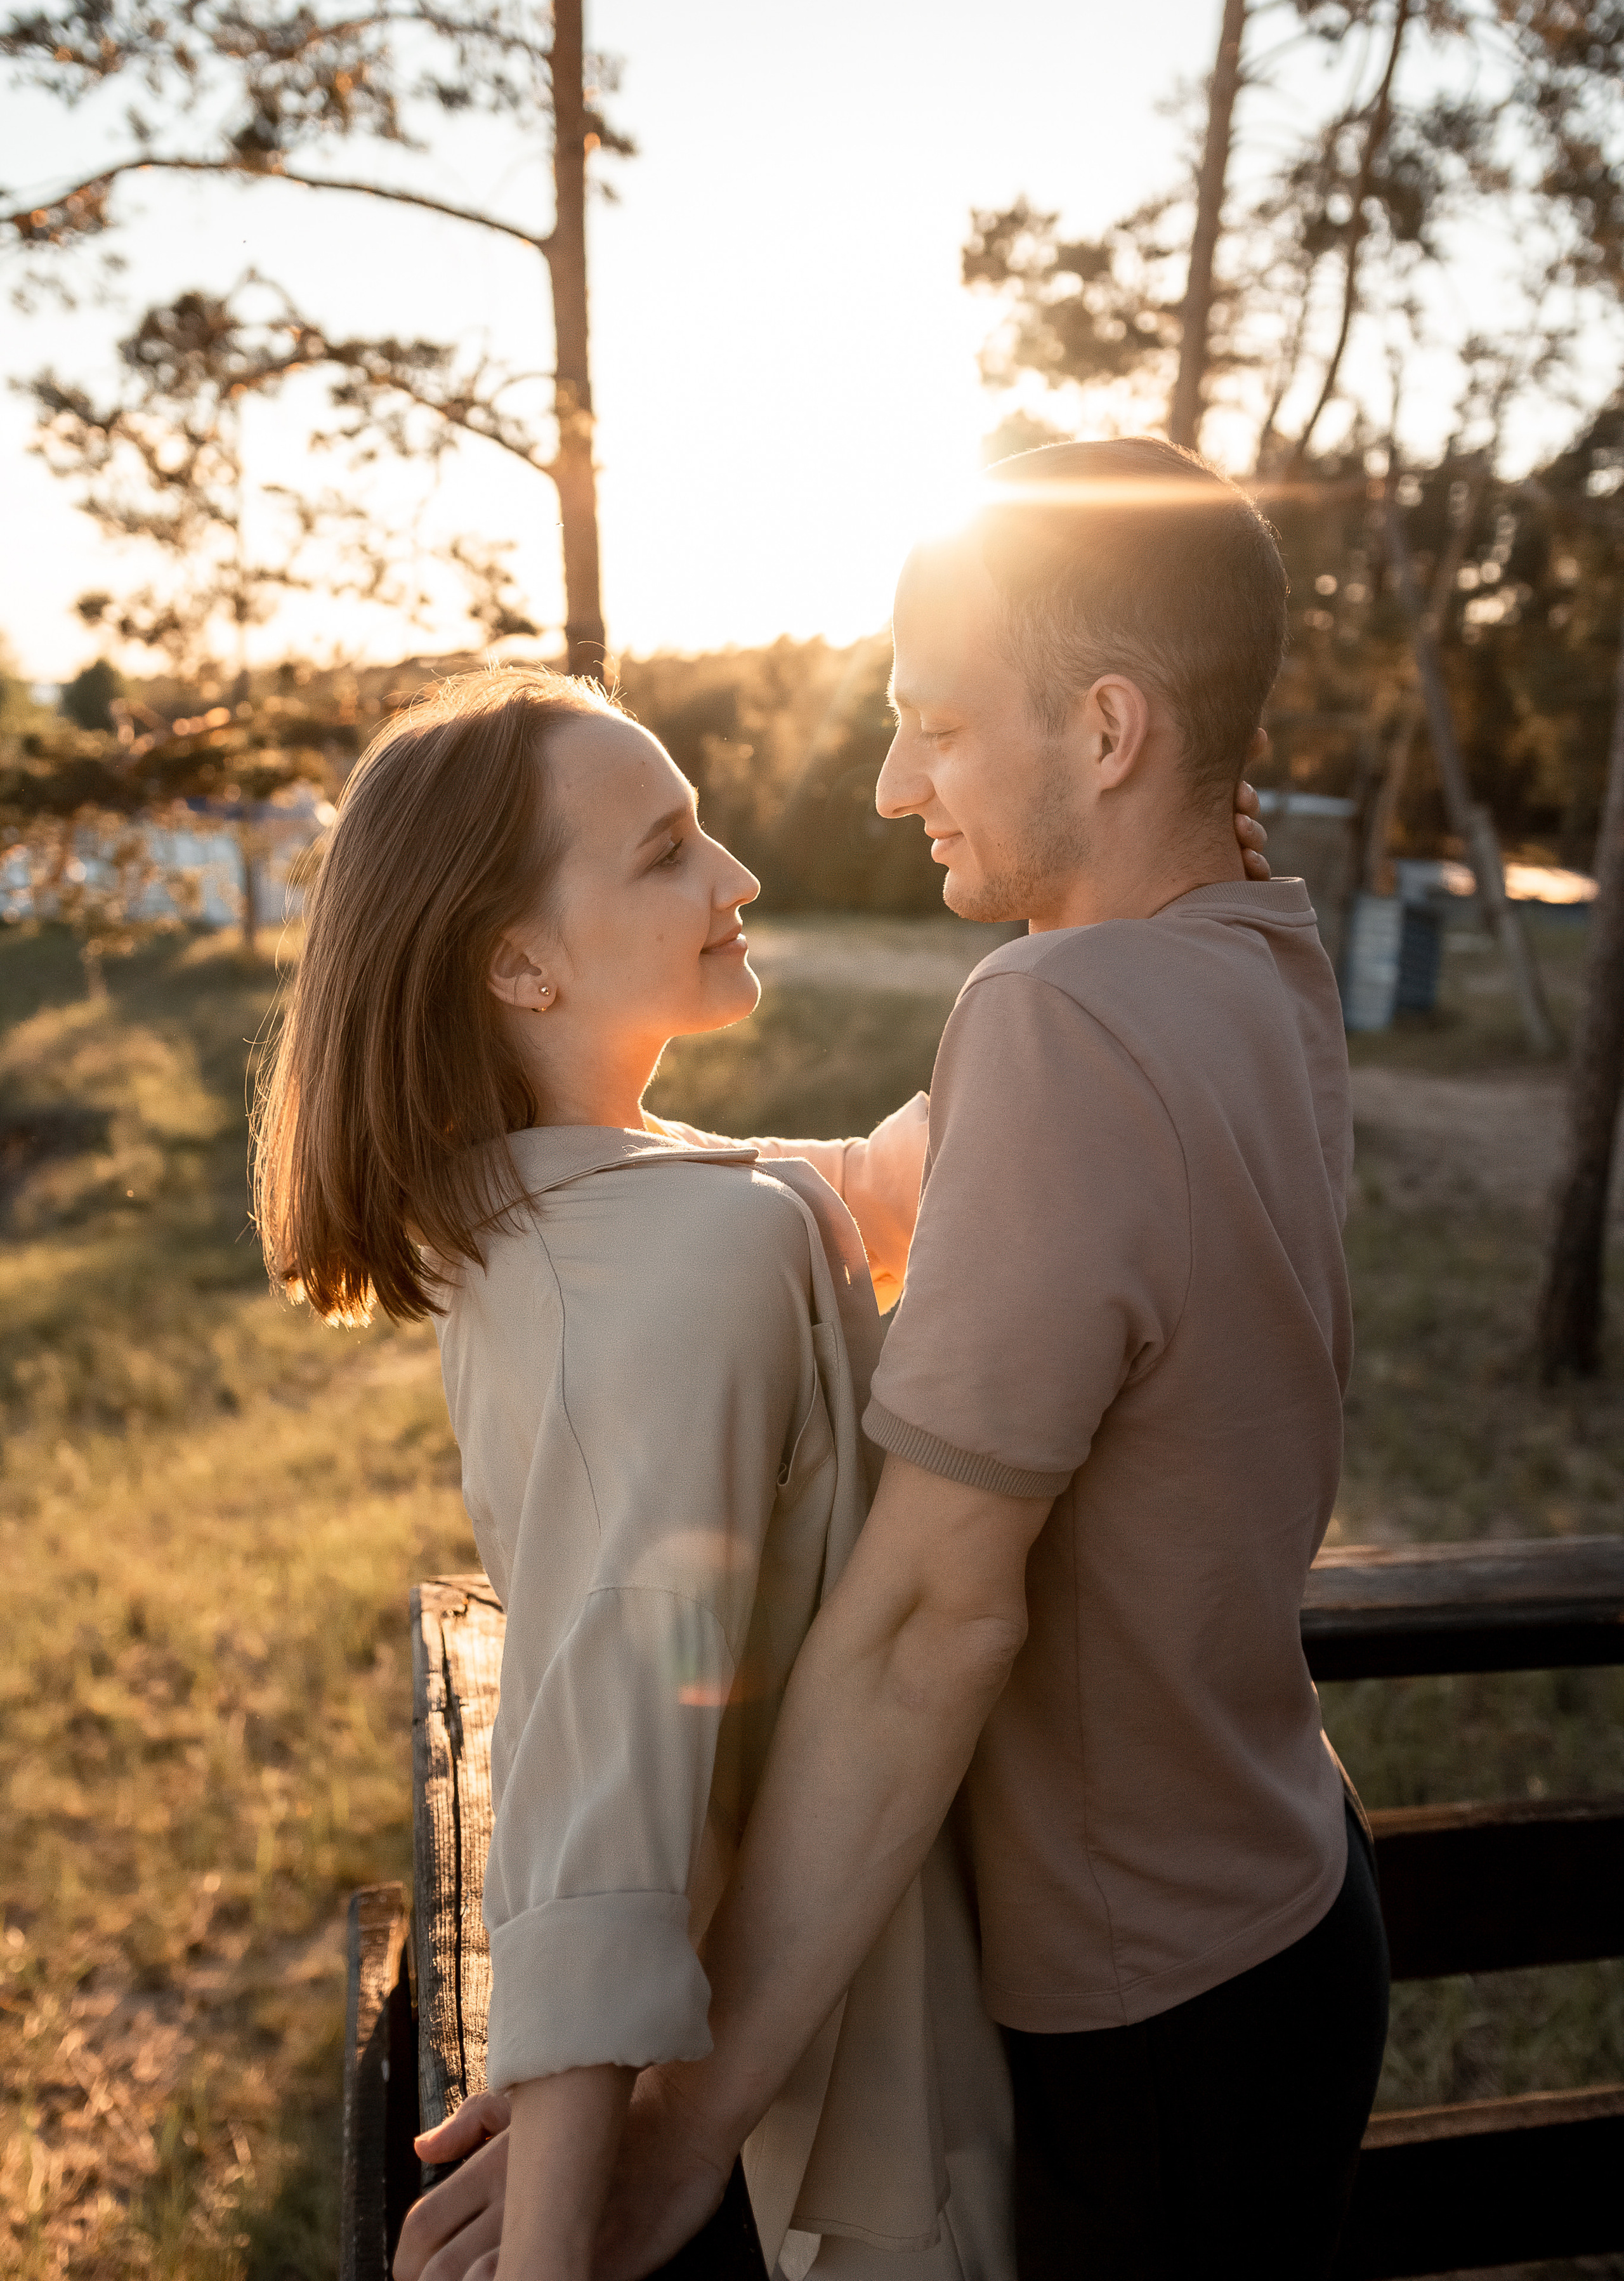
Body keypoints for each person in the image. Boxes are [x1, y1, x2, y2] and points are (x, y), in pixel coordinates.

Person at [398, 437, 1387, 2281]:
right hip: (1292, 1899)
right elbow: (889, 1186)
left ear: (1107, 730)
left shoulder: (1056, 1019)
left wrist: (681, 2133)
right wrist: (576, 1184)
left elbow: (941, 1623)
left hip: (1139, 2002)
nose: (886, 780)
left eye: (935, 723)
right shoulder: (1250, 955)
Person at [253, 666, 1031, 2281]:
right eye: (666, 847)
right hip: (796, 2122)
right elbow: (598, 1782)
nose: (734, 875)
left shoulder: (553, 1219)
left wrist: (1117, 925)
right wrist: (557, 2245)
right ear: (517, 963)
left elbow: (889, 1189)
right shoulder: (679, 1261)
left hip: (737, 2017)